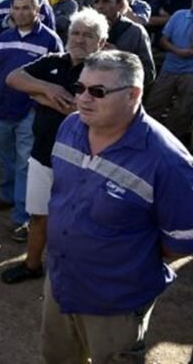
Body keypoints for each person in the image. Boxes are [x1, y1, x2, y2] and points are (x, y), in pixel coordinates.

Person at [41, 50, 193, 363]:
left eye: (98, 92)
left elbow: (178, 245)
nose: (83, 99)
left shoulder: (169, 163)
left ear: (133, 95)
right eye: (79, 87)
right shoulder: (71, 126)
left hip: (115, 304)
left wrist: (121, 260)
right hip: (61, 282)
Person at [0, 9, 108, 285]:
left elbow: (80, 109)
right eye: (76, 32)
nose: (80, 39)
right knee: (38, 215)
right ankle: (33, 265)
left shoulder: (104, 73)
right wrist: (48, 91)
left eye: (88, 35)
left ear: (101, 42)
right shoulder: (54, 61)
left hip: (83, 163)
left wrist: (38, 96)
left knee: (77, 224)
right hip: (43, 154)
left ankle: (73, 278)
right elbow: (13, 78)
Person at [0, 0, 63, 242]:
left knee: (24, 163)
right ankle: (7, 196)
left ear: (37, 10)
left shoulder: (50, 41)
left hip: (29, 112)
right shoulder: (4, 37)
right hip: (1, 109)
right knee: (3, 153)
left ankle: (23, 218)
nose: (20, 13)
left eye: (26, 8)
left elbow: (56, 78)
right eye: (16, 8)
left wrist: (35, 104)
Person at [145, 0, 193, 142]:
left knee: (182, 112)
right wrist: (177, 51)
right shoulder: (179, 15)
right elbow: (163, 40)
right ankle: (144, 136)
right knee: (154, 104)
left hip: (190, 73)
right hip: (169, 68)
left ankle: (171, 143)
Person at [92, 0, 155, 86]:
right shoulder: (87, 29)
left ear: (120, 5)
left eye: (106, 1)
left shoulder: (135, 32)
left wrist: (120, 57)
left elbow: (149, 74)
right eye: (96, 2)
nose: (100, 6)